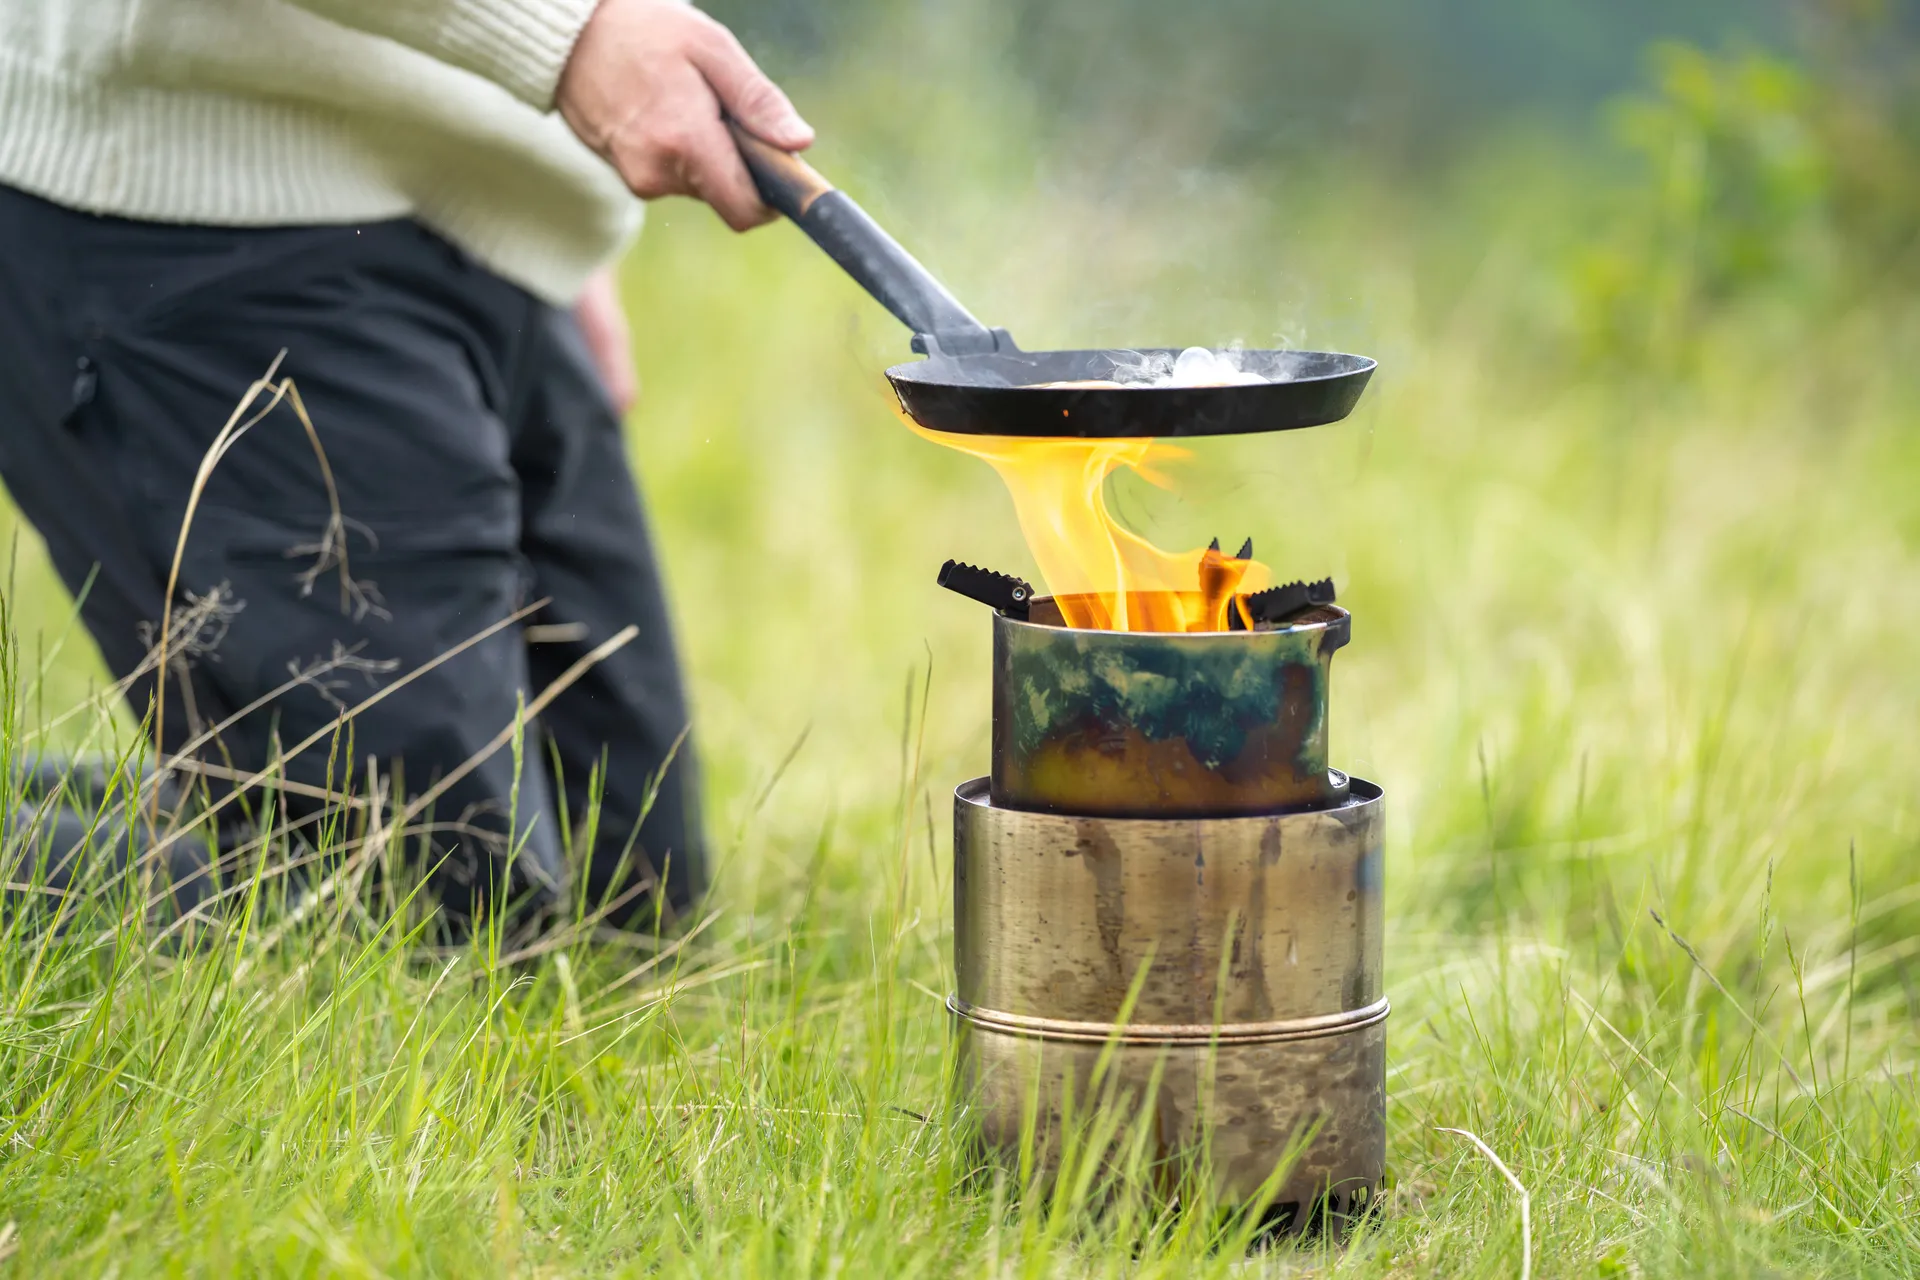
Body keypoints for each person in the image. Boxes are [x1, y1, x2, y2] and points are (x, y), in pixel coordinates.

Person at [0, 0, 814, 923]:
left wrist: (558, 198)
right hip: (183, 200)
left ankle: (223, 810)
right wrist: (570, 34)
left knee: (632, 899)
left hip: (464, 184)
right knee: (449, 918)